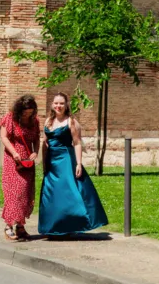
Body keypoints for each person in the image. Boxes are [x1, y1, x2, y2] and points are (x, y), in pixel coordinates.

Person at [38, 92, 108, 236]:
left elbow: (76, 143)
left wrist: (79, 163)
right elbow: (45, 143)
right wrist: (44, 162)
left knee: (67, 192)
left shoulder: (71, 122)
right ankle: (53, 227)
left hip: (65, 160)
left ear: (66, 105)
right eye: (56, 103)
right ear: (52, 105)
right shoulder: (48, 121)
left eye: (61, 103)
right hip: (52, 161)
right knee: (52, 193)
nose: (59, 106)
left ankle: (70, 225)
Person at [0, 94, 41, 241]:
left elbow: (36, 138)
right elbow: (4, 137)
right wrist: (14, 152)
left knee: (25, 193)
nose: (27, 115)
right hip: (13, 159)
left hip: (27, 161)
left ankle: (21, 226)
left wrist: (36, 151)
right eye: (25, 112)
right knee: (14, 192)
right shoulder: (10, 118)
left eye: (30, 112)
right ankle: (8, 225)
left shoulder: (34, 122)